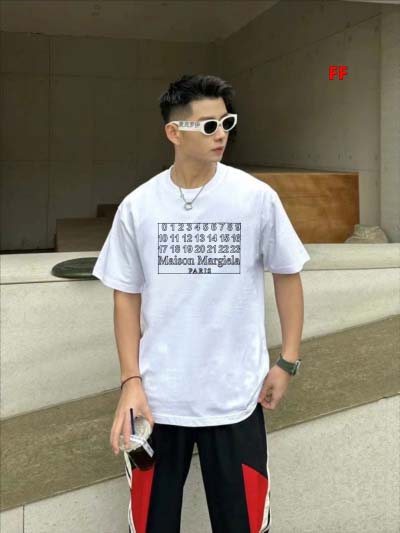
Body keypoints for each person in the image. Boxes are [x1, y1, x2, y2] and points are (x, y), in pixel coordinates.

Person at [92, 73, 311, 533]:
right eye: (209, 126)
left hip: (236, 398)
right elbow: (125, 297)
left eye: (227, 122)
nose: (221, 134)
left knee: (241, 524)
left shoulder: (255, 198)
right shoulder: (139, 206)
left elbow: (287, 274)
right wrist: (130, 382)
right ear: (174, 133)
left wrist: (287, 361)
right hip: (157, 401)